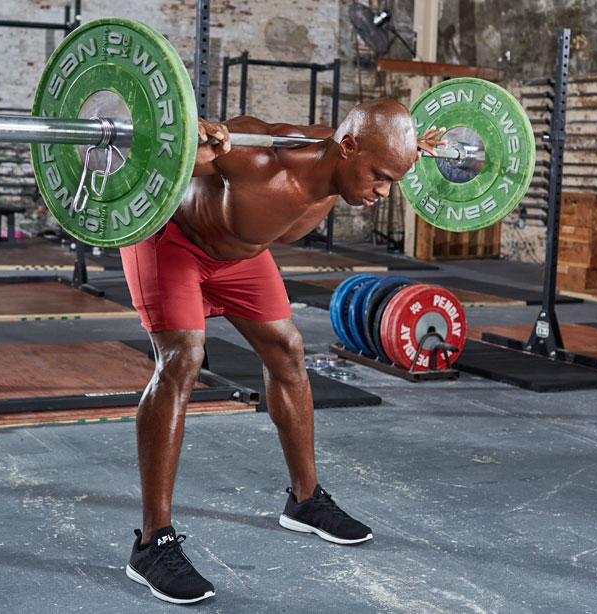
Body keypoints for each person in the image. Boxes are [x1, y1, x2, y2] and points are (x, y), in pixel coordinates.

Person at [121, 98, 447, 604]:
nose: (384, 192)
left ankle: (305, 501)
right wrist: (190, 138)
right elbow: (159, 159)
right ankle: (151, 544)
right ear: (347, 146)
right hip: (173, 241)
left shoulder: (347, 154)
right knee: (183, 358)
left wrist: (410, 151)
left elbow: (384, 151)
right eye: (381, 176)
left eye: (394, 181)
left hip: (241, 255)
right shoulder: (256, 153)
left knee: (288, 351)